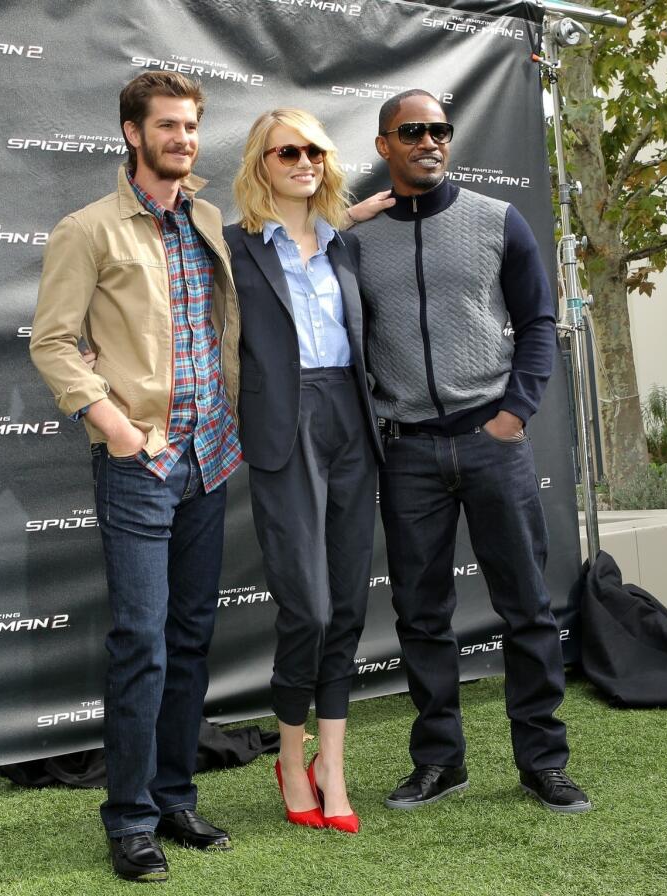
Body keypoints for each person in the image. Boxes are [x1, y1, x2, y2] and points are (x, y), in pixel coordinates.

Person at [349, 89, 591, 813]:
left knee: (526, 609)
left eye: (440, 130)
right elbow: (284, 255)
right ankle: (439, 762)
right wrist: (343, 217)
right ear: (386, 143)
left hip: (492, 442)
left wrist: (515, 414)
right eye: (412, 131)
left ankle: (543, 761)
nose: (430, 141)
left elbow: (539, 322)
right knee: (421, 617)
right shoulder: (357, 237)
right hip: (409, 450)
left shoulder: (497, 220)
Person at [30, 71, 240, 882]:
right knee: (141, 645)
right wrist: (114, 427)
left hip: (210, 454)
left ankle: (175, 795)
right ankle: (130, 820)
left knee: (190, 640)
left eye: (190, 126)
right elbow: (52, 342)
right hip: (141, 461)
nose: (183, 138)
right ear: (131, 132)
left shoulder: (209, 219)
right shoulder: (88, 229)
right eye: (167, 126)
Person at [224, 110, 385, 834]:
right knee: (309, 609)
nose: (304, 160)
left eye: (315, 150)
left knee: (348, 606)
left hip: (352, 421)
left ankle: (333, 765)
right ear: (261, 163)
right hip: (283, 428)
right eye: (287, 151)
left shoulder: (343, 246)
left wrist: (350, 215)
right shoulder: (229, 247)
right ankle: (290, 758)